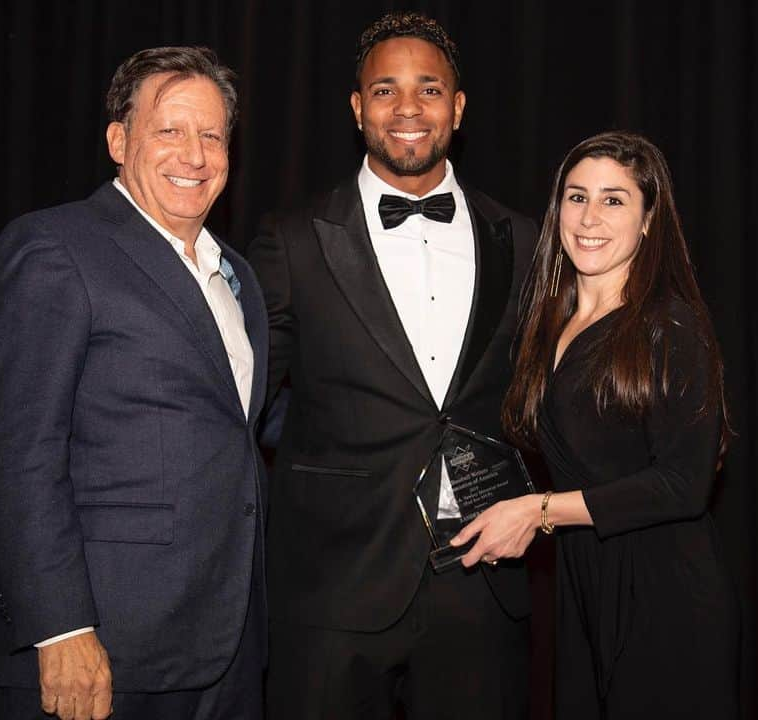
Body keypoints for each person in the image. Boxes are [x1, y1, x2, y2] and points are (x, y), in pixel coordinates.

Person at [0, 46, 268, 720]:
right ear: (118, 141)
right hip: (97, 648)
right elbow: (20, 454)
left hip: (221, 645)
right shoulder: (55, 247)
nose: (195, 154)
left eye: (212, 135)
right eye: (170, 131)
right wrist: (60, 628)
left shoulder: (236, 274)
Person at [248, 12, 536, 720]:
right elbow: (244, 400)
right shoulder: (292, 239)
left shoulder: (524, 239)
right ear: (357, 108)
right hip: (333, 583)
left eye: (429, 89)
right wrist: (336, 454)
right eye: (385, 90)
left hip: (480, 577)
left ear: (458, 108)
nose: (408, 109)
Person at [451, 130, 740, 717]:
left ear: (649, 219)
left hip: (666, 595)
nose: (590, 217)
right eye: (576, 197)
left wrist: (538, 512)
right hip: (580, 584)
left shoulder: (669, 326)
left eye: (614, 200)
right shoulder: (548, 323)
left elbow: (682, 486)